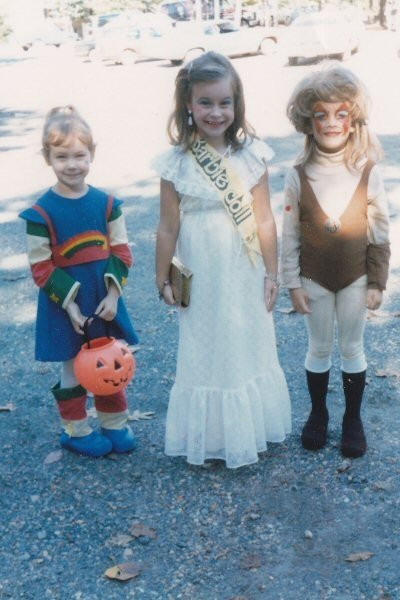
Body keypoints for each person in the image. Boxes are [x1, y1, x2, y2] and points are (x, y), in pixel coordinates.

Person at [154, 51, 291, 469]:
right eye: (205, 103)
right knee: (203, 344)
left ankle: (249, 430)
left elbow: (265, 219)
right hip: (202, 268)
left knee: (246, 339)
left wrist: (273, 272)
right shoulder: (175, 163)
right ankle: (212, 435)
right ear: (188, 106)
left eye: (224, 102)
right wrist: (162, 277)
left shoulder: (252, 156)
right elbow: (166, 227)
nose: (216, 112)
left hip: (244, 265)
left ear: (237, 104)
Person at [282, 65, 390, 458]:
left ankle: (352, 419)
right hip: (314, 278)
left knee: (353, 347)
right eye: (321, 115)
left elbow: (380, 231)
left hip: (356, 277)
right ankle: (319, 413)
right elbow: (290, 233)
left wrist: (377, 281)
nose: (331, 123)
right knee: (318, 346)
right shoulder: (298, 174)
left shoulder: (366, 171)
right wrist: (292, 283)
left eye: (340, 113)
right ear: (308, 121)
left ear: (353, 117)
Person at [20, 106, 139, 457]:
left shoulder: (107, 204)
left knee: (109, 360)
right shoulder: (41, 213)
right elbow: (41, 266)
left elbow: (121, 252)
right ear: (48, 158)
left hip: (103, 297)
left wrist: (114, 297)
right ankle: (76, 430)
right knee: (74, 365)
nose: (71, 164)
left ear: (92, 154)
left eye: (79, 155)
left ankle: (114, 423)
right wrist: (70, 306)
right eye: (61, 157)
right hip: (66, 303)